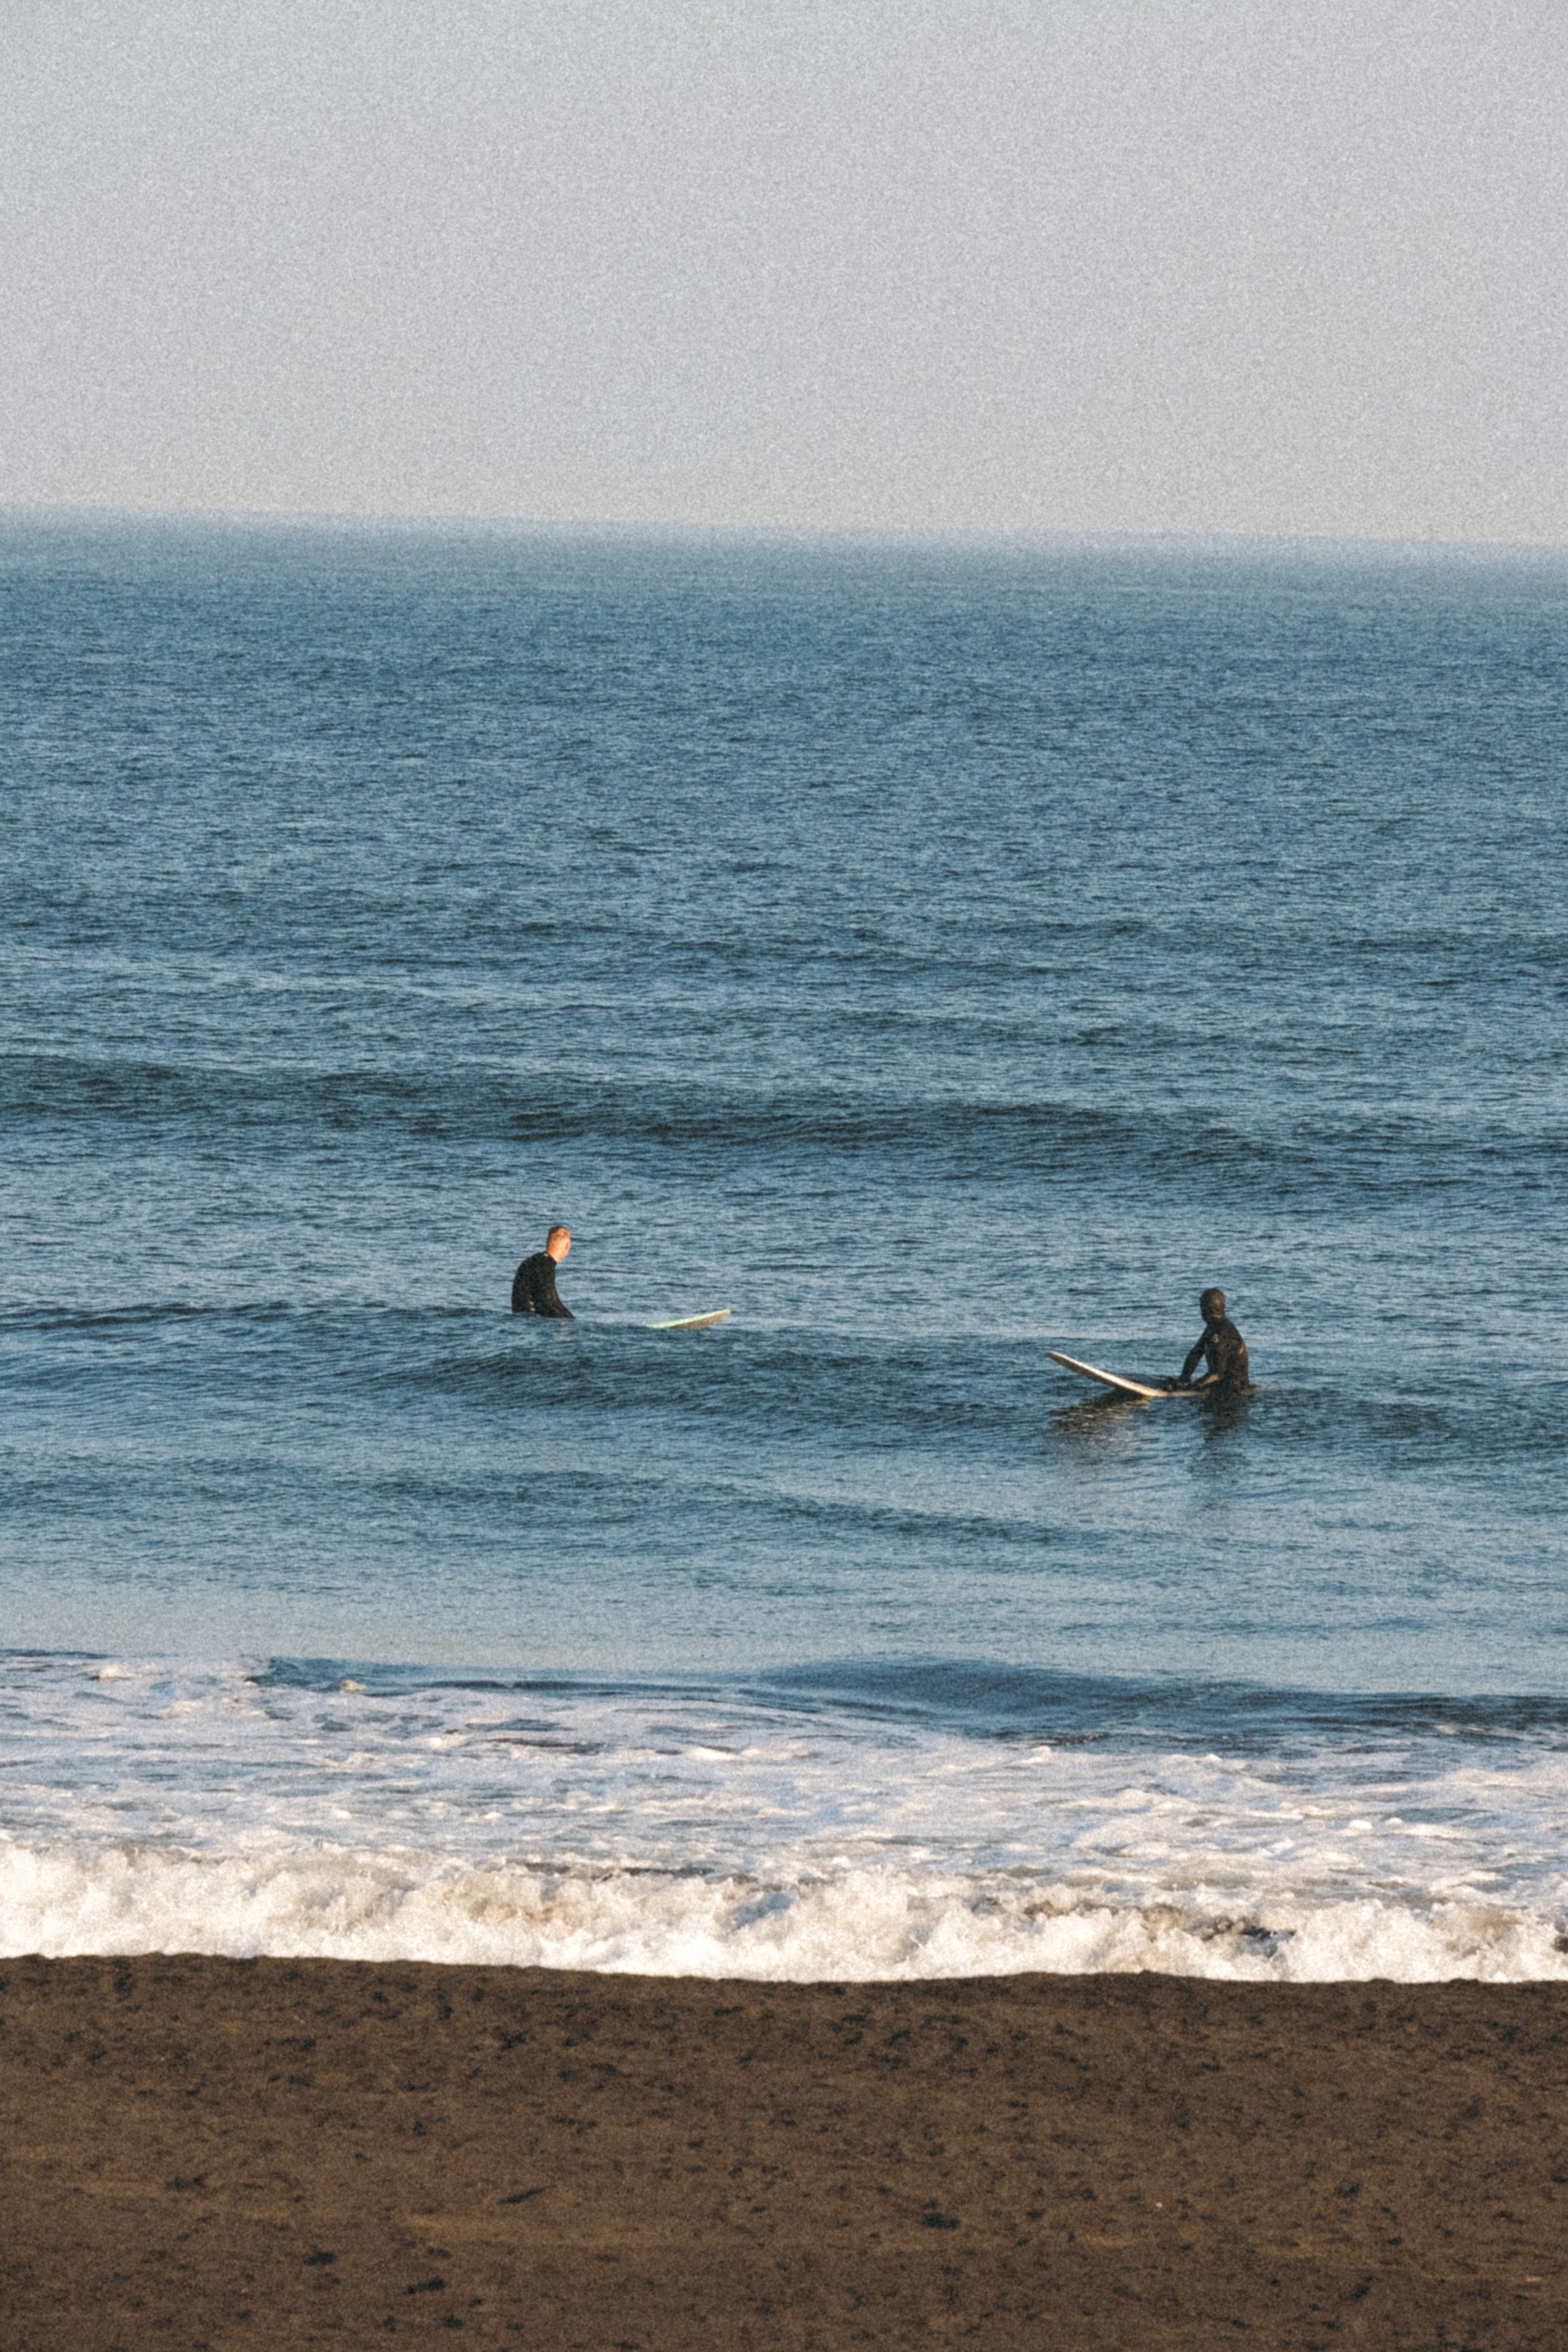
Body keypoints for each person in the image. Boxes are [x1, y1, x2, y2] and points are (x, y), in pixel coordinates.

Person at [1174, 1287, 1250, 1393]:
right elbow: (1195, 1354)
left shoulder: (1224, 1333)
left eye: (1202, 1307)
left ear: (1207, 1310)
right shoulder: (1213, 1328)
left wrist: (1188, 1389)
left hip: (1235, 1392)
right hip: (1220, 1386)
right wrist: (1183, 1379)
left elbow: (1217, 1374)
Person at [511, 1225, 573, 1317]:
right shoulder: (545, 1266)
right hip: (531, 1321)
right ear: (567, 1246)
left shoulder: (535, 1261)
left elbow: (552, 1301)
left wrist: (570, 1319)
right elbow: (546, 1303)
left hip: (522, 1319)